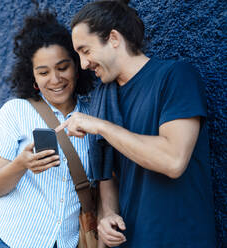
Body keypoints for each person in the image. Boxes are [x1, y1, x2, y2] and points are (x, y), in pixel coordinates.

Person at [55, 1, 216, 247]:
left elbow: (173, 160)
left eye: (85, 51)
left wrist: (102, 127)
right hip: (132, 239)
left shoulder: (175, 77)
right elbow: (108, 172)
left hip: (182, 236)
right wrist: (107, 214)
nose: (84, 64)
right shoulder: (103, 95)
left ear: (114, 38)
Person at [0, 11, 94, 248]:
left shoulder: (93, 117)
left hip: (67, 241)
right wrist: (21, 164)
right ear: (32, 77)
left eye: (63, 67)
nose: (55, 79)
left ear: (77, 66)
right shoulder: (15, 111)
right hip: (10, 239)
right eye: (43, 72)